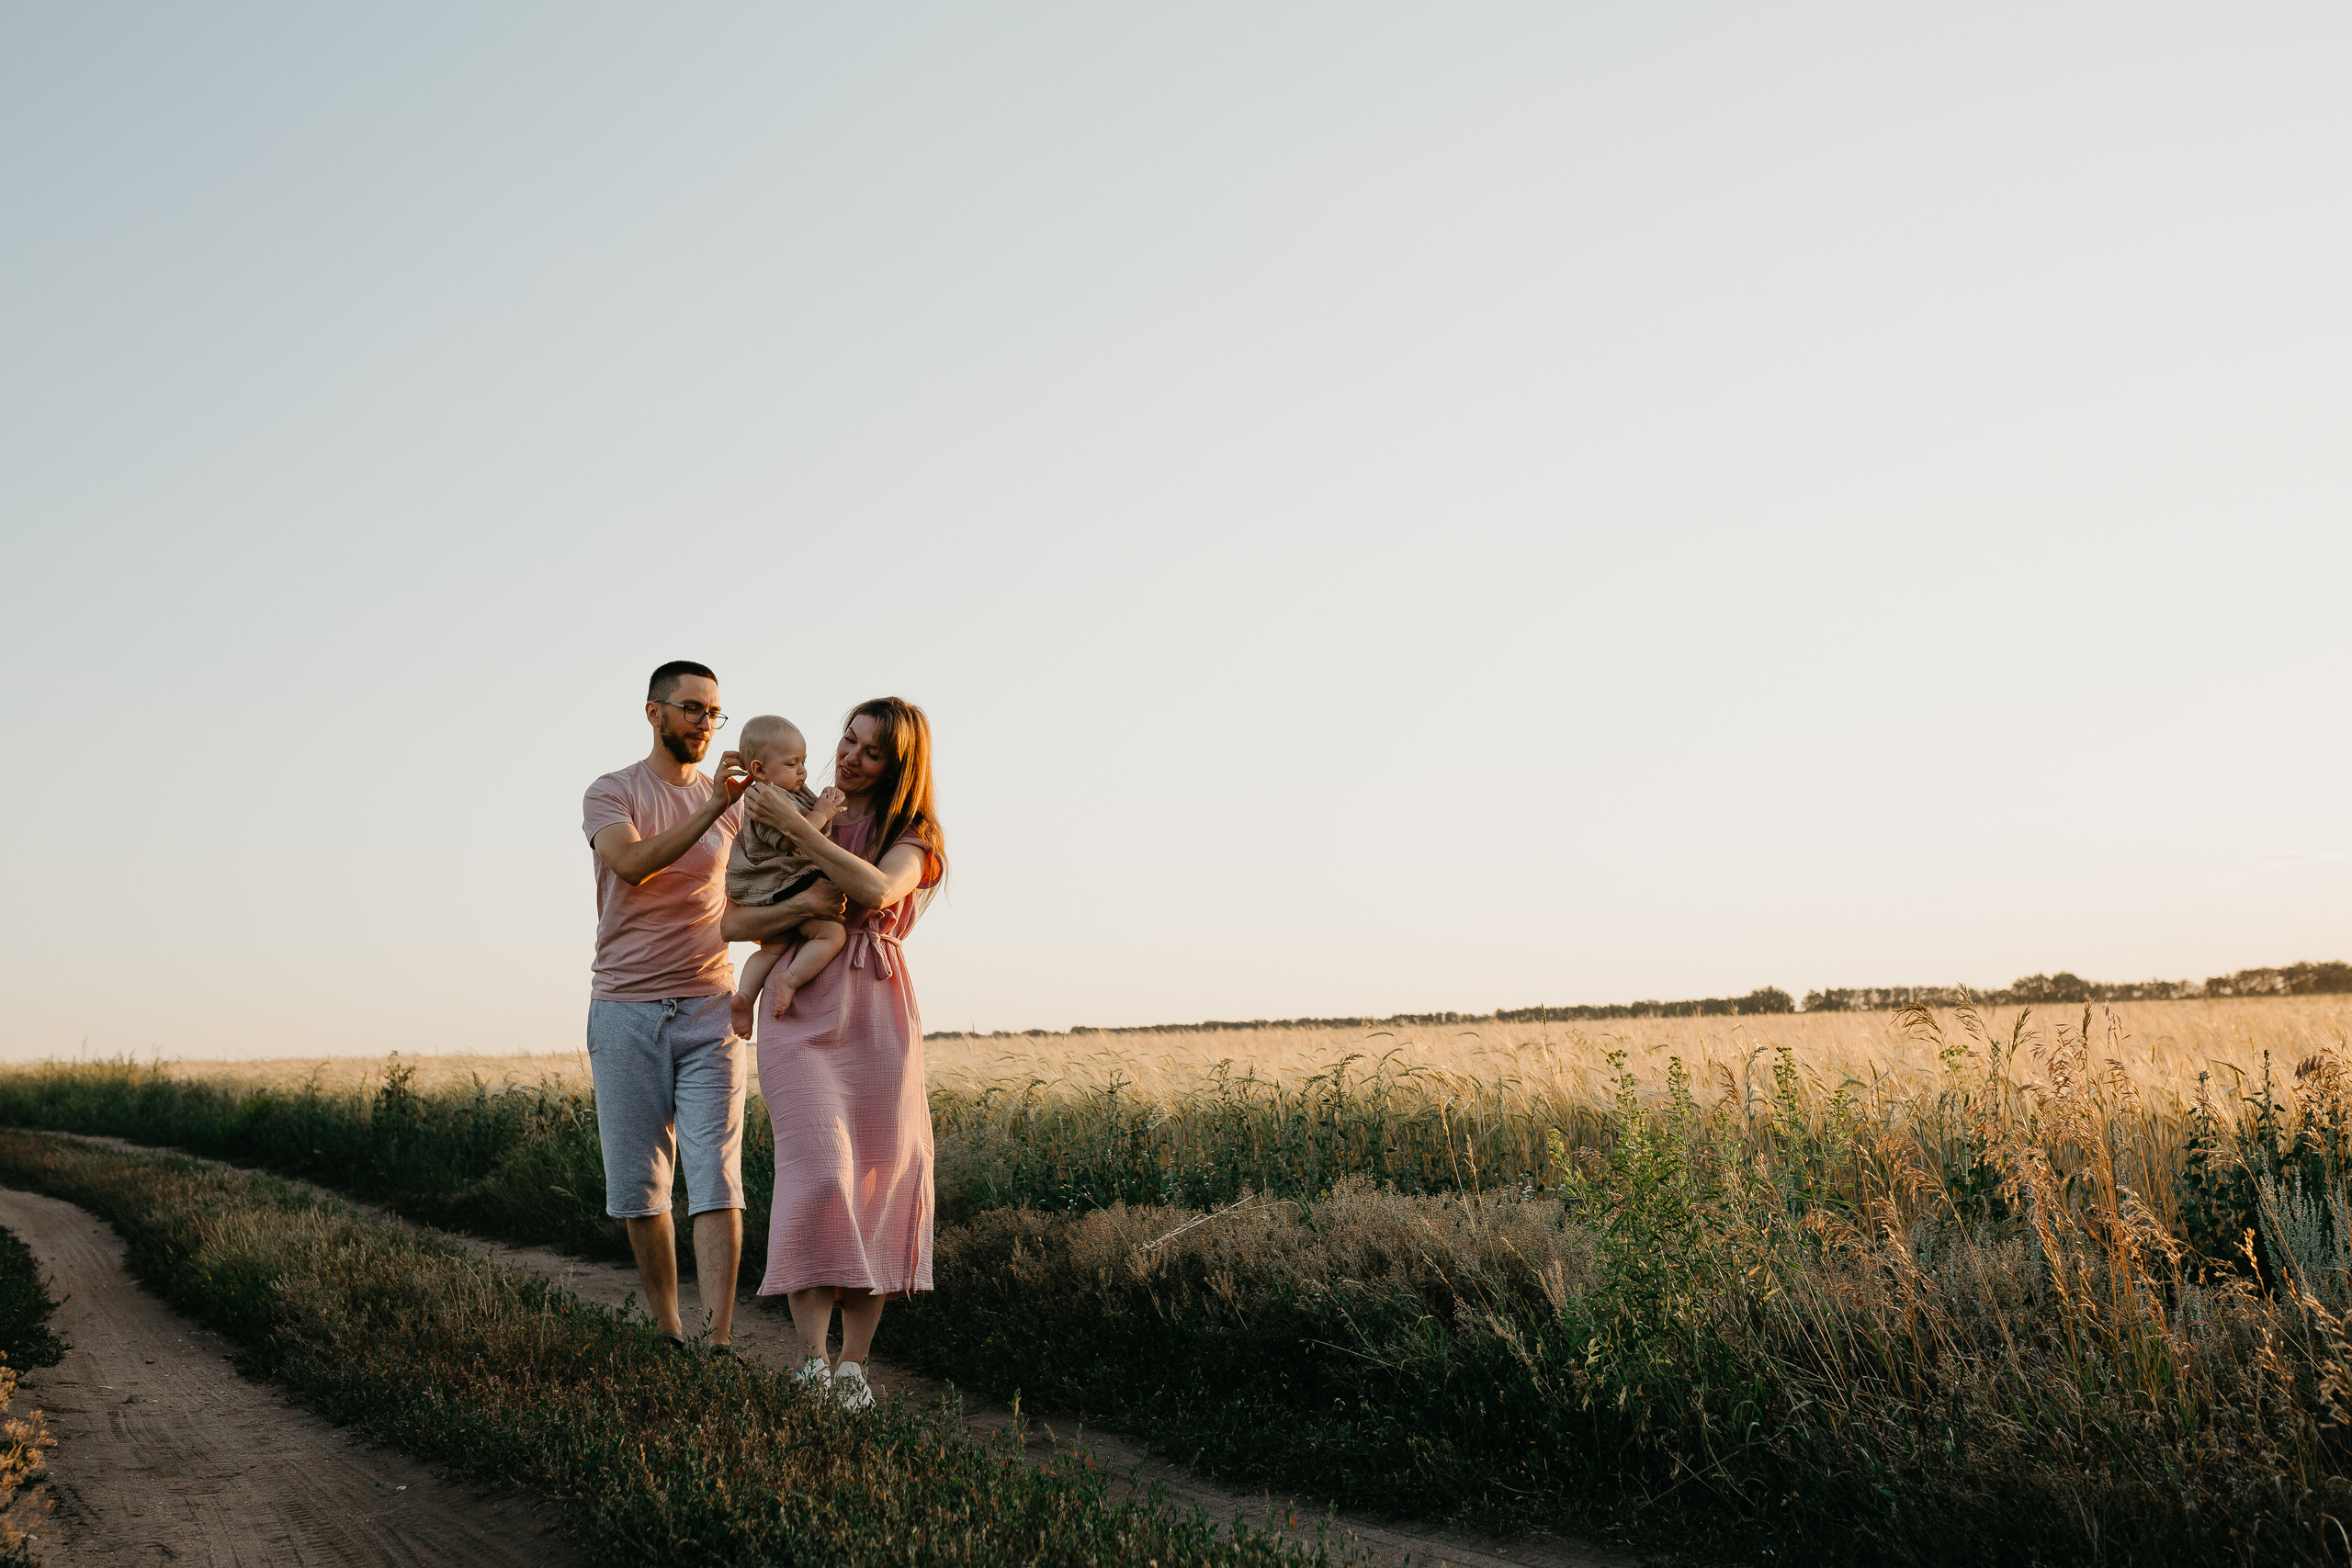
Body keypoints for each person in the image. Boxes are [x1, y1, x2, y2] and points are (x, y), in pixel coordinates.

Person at [580, 660, 841, 1354]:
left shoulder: (739, 805)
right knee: (642, 1183)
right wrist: (713, 807)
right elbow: (633, 865)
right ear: (653, 712)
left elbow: (754, 896)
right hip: (625, 1009)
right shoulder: (613, 792)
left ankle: (718, 1340)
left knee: (717, 1175)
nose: (704, 722)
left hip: (709, 1008)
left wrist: (807, 906)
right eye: (691, 708)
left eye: (713, 712)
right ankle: (668, 1326)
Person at [723, 696, 946, 1411]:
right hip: (797, 1000)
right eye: (847, 739)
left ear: (898, 765)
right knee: (821, 1172)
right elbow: (732, 917)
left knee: (876, 1182)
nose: (849, 756)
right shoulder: (790, 806)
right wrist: (784, 826)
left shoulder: (915, 831)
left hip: (876, 1007)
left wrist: (802, 833)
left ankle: (854, 1365)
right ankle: (810, 1362)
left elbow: (877, 888)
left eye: (871, 751)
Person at [724, 715, 850, 1037]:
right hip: (787, 882)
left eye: (803, 762)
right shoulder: (766, 800)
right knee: (832, 935)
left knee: (771, 948)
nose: (802, 771)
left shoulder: (787, 792)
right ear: (760, 770)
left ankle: (744, 997)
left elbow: (808, 814)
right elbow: (797, 836)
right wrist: (822, 812)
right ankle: (789, 979)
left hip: (781, 886)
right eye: (792, 764)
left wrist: (824, 803)